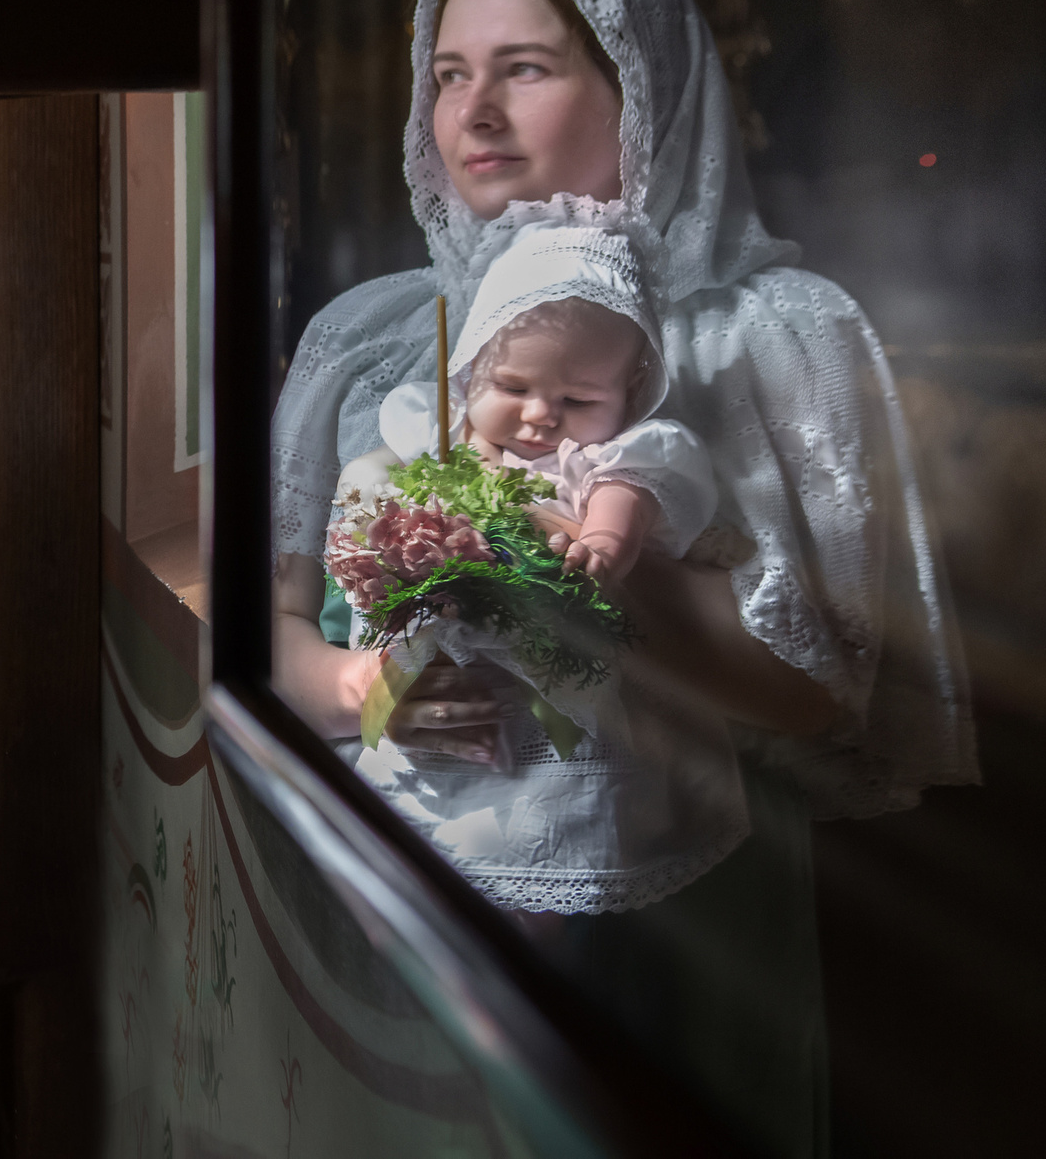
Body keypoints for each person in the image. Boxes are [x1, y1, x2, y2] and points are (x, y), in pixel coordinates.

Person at [269, 0, 975, 1157]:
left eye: (524, 68)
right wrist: (358, 687)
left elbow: (821, 689)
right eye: (448, 75)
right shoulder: (372, 336)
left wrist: (564, 557)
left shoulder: (773, 337)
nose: (474, 110)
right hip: (404, 872)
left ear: (639, 90)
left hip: (683, 907)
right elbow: (265, 619)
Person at [316, 216, 748, 919]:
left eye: (580, 398)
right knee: (416, 841)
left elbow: (622, 501)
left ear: (633, 388)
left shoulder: (611, 457)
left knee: (551, 841)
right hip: (448, 674)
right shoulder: (439, 437)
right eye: (514, 385)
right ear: (473, 366)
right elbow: (388, 507)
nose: (542, 416)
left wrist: (602, 547)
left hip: (567, 692)